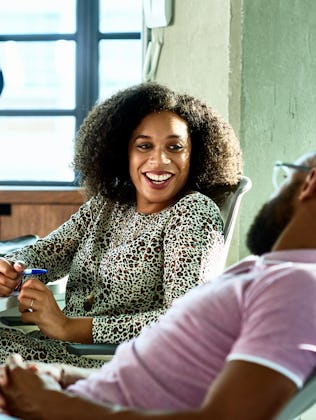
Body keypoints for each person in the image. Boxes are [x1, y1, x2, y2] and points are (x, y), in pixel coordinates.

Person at [0, 150, 315, 420]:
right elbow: (155, 376)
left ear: (310, 183)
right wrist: (64, 379)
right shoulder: (264, 271)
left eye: (285, 176)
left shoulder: (296, 288)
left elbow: (223, 418)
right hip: (83, 385)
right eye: (143, 145)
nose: (159, 159)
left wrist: (55, 405)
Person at [0, 82, 242, 368]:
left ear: (195, 156)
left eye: (175, 147)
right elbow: (52, 250)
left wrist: (66, 326)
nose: (160, 160)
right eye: (144, 146)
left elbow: (187, 319)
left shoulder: (193, 212)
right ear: (123, 153)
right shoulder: (108, 203)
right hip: (66, 353)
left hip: (119, 368)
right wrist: (12, 268)